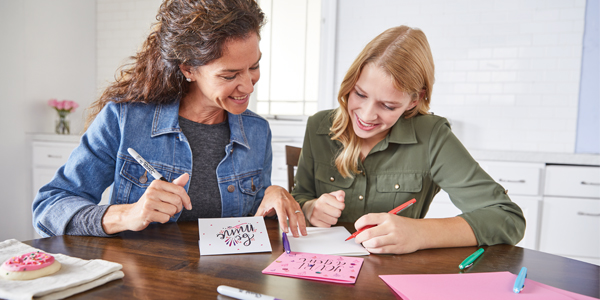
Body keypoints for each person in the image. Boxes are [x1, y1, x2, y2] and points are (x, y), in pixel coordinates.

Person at [33, 0, 307, 238]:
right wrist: (127, 215)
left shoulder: (257, 130)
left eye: (254, 66)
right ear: (188, 69)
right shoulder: (124, 119)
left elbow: (252, 227)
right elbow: (49, 207)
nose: (248, 86)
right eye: (229, 75)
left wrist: (272, 197)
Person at [292, 26, 525, 254]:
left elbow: (507, 217)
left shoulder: (431, 136)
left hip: (392, 278)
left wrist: (420, 233)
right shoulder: (318, 127)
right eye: (360, 94)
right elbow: (299, 197)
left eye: (387, 105)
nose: (366, 115)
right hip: (323, 273)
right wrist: (310, 208)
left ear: (415, 100)